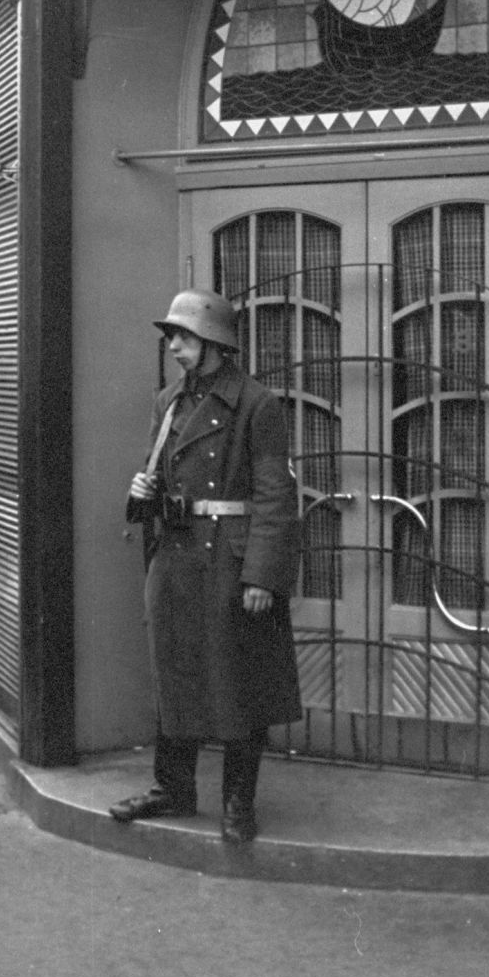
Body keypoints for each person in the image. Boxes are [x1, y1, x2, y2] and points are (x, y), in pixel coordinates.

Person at [109, 289, 302, 845]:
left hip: (230, 561)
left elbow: (275, 496)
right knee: (174, 676)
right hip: (175, 555)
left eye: (183, 336)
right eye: (171, 337)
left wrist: (263, 575)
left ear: (215, 340)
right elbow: (158, 479)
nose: (173, 346)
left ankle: (239, 802)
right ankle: (174, 789)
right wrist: (140, 490)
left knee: (239, 684)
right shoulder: (168, 402)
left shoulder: (256, 404)